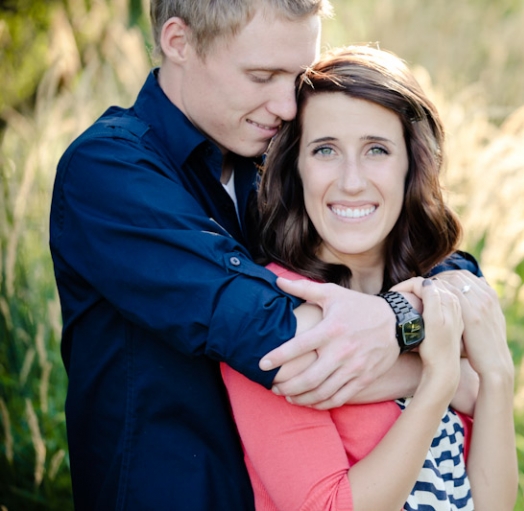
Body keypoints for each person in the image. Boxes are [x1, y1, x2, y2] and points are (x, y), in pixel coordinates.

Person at [49, 1, 482, 509]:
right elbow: (277, 340)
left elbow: (447, 267)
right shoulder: (108, 172)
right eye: (262, 76)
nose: (288, 106)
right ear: (178, 42)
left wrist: (419, 307)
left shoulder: (275, 163)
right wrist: (437, 362)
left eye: (297, 79)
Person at [221, 45, 518, 510]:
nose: (352, 181)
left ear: (410, 165)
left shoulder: (440, 294)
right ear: (296, 169)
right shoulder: (272, 316)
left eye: (376, 149)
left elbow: (493, 505)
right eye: (325, 150)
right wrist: (439, 380)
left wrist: (497, 376)